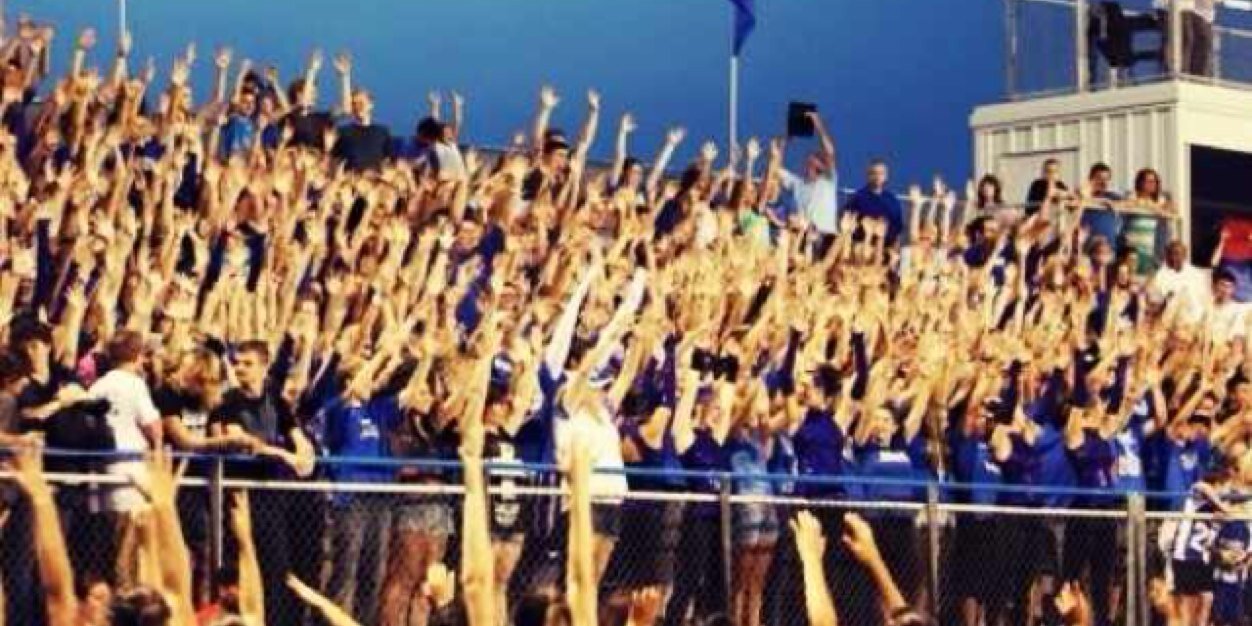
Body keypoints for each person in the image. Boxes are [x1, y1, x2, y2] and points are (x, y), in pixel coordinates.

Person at [210, 340, 315, 626]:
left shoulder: (276, 401)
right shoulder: (229, 401)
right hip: (241, 494)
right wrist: (285, 455)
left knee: (275, 569)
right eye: (237, 363)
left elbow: (297, 436)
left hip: (272, 498)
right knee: (243, 566)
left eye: (248, 363)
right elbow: (246, 442)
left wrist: (305, 454)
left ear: (264, 367)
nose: (240, 368)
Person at [87, 330, 163, 590]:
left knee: (105, 553)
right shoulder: (134, 383)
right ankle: (127, 606)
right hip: (131, 478)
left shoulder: (98, 385)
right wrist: (157, 449)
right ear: (138, 356)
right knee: (127, 555)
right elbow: (153, 426)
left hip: (101, 479)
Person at [778, 110, 839, 256]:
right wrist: (786, 138)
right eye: (809, 161)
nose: (811, 163)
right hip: (804, 235)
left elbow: (830, 152)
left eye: (816, 160)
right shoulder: (797, 183)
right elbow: (775, 166)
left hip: (826, 235)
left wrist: (818, 125)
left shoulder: (828, 181)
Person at [844, 159, 904, 247]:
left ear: (886, 176)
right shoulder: (858, 197)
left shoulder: (893, 201)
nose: (877, 176)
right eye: (874, 173)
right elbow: (848, 221)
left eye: (881, 173)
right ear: (868, 175)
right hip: (861, 246)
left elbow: (897, 229)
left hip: (884, 248)